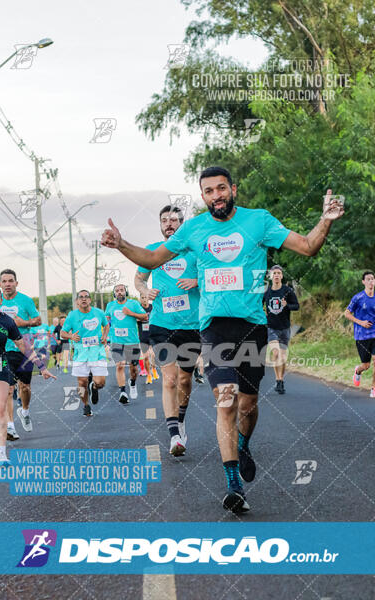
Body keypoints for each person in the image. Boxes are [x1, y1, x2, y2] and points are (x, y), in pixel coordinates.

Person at [101, 166, 344, 514]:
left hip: (252, 327)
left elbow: (307, 247)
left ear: (233, 189)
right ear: (203, 196)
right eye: (208, 191)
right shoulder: (194, 228)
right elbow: (153, 259)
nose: (216, 196)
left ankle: (243, 443)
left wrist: (326, 219)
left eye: (221, 189)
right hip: (214, 327)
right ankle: (233, 484)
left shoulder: (258, 221)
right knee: (225, 400)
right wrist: (121, 243)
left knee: (248, 406)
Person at [134, 205, 201, 456]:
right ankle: (174, 435)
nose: (168, 224)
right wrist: (144, 291)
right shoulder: (153, 251)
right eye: (164, 220)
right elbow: (138, 278)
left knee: (185, 379)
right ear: (160, 225)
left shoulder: (194, 250)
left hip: (191, 324)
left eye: (173, 220)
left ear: (182, 224)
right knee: (170, 379)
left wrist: (197, 281)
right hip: (162, 324)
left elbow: (212, 274)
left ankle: (180, 419)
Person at [0, 285, 56, 467]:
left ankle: (1, 456)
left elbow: (23, 346)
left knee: (0, 409)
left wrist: (42, 367)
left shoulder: (7, 322)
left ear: (1, 300)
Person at [0, 269, 41, 439]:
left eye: (11, 281)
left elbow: (38, 320)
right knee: (8, 388)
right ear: (0, 284)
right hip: (3, 349)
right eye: (4, 281)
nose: (7, 284)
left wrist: (25, 322)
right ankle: (10, 426)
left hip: (24, 348)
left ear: (16, 283)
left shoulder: (25, 301)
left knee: (25, 387)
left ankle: (24, 411)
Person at [60, 290, 109, 416]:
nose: (84, 299)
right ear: (77, 301)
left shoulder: (98, 313)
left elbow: (106, 325)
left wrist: (104, 336)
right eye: (81, 297)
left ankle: (94, 387)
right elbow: (62, 333)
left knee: (100, 383)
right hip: (80, 353)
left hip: (97, 351)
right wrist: (71, 336)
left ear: (90, 300)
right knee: (82, 382)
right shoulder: (72, 316)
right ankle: (86, 405)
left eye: (86, 297)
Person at [105, 284, 147, 403]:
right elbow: (106, 320)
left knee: (134, 369)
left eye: (121, 290)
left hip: (132, 341)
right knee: (120, 365)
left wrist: (131, 313)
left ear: (126, 292)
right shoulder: (110, 305)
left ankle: (132, 383)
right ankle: (123, 392)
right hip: (116, 341)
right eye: (117, 290)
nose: (119, 292)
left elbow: (144, 316)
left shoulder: (133, 304)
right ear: (114, 294)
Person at [264, 265, 300, 394]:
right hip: (271, 327)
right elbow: (258, 305)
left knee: (283, 357)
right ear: (271, 276)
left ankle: (281, 380)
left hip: (284, 327)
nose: (277, 275)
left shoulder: (288, 291)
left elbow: (296, 306)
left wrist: (287, 305)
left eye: (279, 273)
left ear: (282, 276)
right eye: (274, 273)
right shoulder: (267, 292)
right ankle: (278, 380)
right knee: (275, 353)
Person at [345, 270, 375, 397]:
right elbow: (346, 313)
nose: (371, 282)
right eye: (368, 279)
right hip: (361, 335)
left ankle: (373, 388)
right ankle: (358, 371)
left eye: (373, 279)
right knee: (366, 365)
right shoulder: (357, 298)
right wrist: (361, 322)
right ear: (363, 282)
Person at [138, 293, 159, 384]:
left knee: (153, 355)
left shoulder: (152, 307)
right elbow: (134, 319)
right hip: (143, 335)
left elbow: (158, 317)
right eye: (142, 298)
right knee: (146, 357)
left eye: (146, 297)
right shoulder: (137, 308)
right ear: (140, 299)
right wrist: (140, 318)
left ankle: (154, 369)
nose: (144, 299)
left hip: (152, 334)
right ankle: (149, 375)